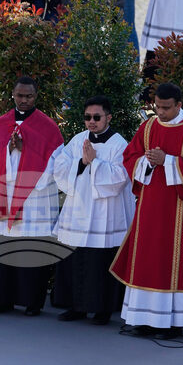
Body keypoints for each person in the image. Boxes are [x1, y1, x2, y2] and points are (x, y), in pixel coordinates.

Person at [110, 83, 183, 340]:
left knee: (174, 260)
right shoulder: (147, 127)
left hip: (182, 210)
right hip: (150, 207)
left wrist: (167, 161)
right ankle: (142, 319)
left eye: (166, 108)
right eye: (157, 106)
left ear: (179, 105)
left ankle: (172, 323)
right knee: (148, 258)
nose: (160, 112)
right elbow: (130, 156)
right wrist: (145, 162)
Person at [0, 77, 64, 315]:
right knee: (3, 245)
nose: (24, 100)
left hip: (34, 197)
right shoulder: (0, 124)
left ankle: (30, 302)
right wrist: (7, 150)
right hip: (4, 195)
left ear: (36, 97)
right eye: (19, 96)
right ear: (12, 95)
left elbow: (57, 163)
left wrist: (27, 151)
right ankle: (0, 299)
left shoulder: (47, 127)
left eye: (29, 96)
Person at [52, 96, 135, 325]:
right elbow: (60, 165)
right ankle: (75, 307)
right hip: (78, 209)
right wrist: (81, 163)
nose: (91, 122)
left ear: (108, 117)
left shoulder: (119, 144)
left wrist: (94, 163)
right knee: (75, 259)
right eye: (87, 117)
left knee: (100, 262)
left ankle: (102, 310)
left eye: (96, 117)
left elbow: (120, 178)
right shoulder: (79, 139)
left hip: (104, 213)